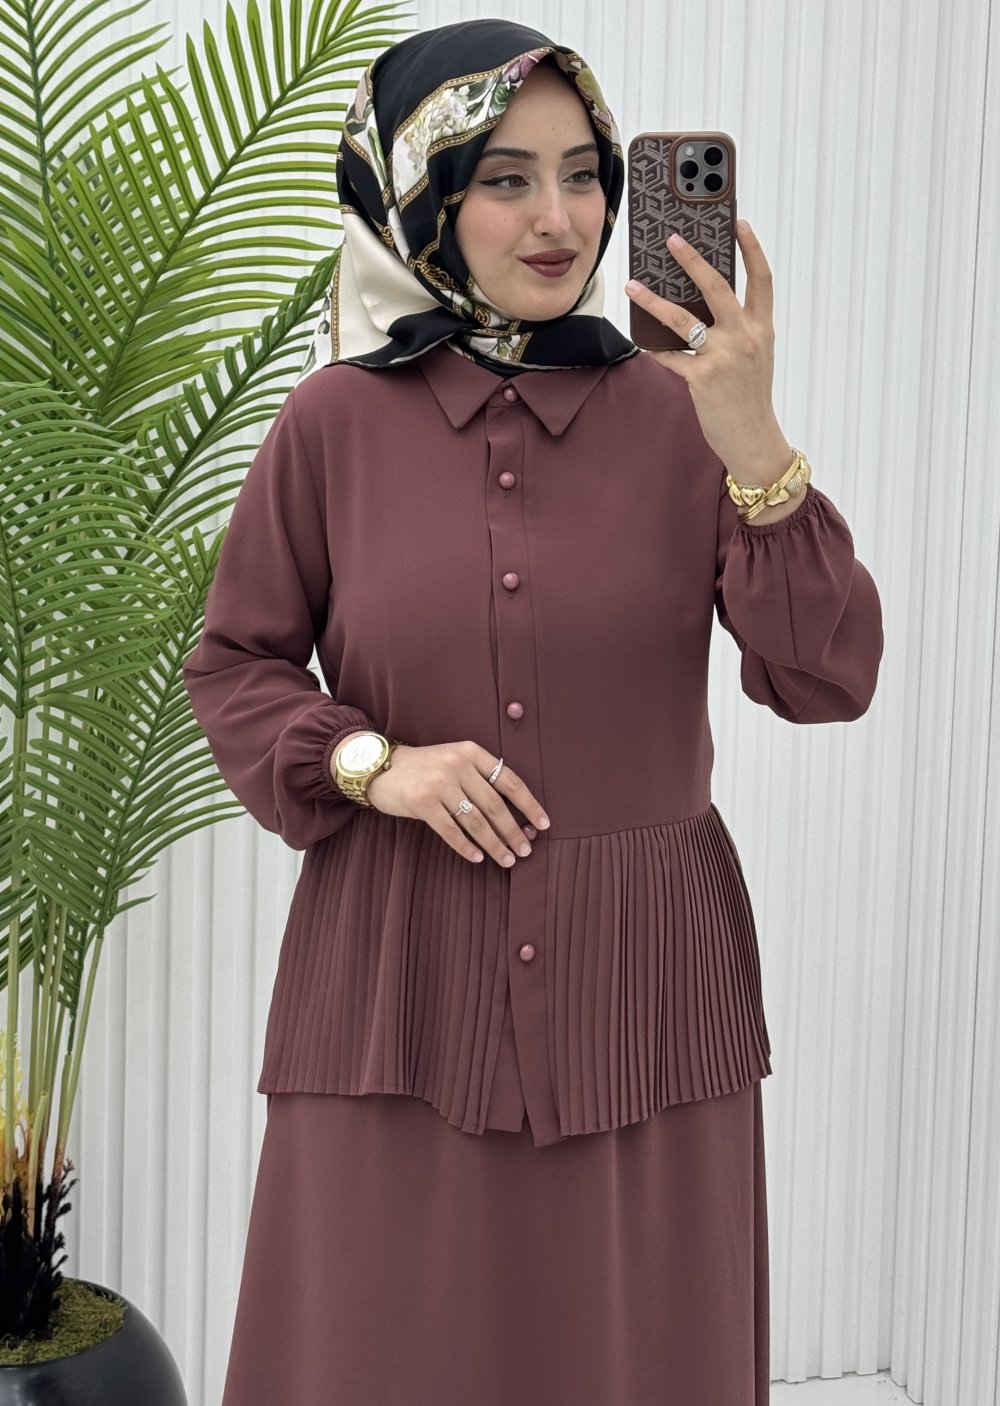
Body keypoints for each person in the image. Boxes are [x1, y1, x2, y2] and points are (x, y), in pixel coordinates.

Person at [182, 17, 883, 1406]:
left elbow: (828, 678)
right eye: (506, 178)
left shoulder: (687, 418)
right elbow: (236, 664)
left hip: (644, 987)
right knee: (380, 1354)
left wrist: (756, 443)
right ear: (426, 195)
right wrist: (372, 761)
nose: (560, 220)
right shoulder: (331, 424)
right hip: (395, 980)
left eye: (584, 174)